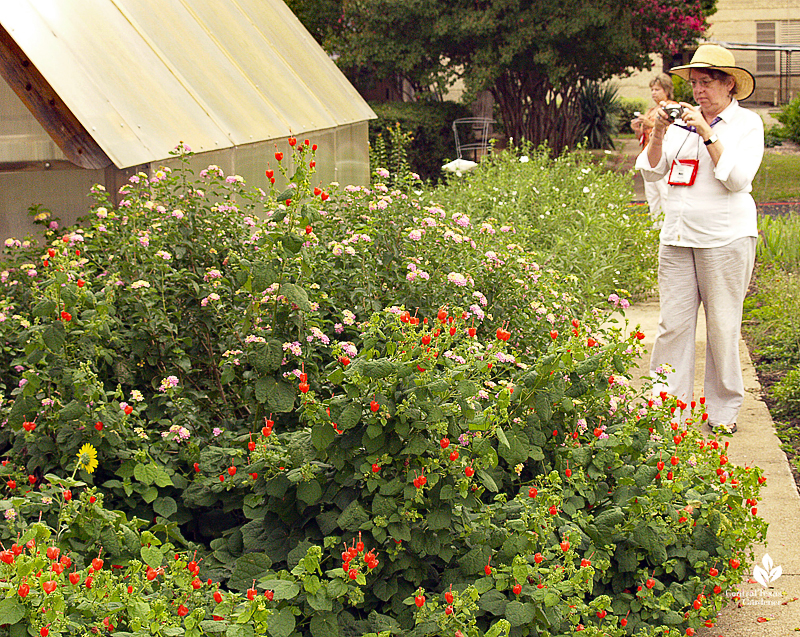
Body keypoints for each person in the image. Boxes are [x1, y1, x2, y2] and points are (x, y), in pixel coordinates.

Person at [635, 44, 764, 434]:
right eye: (693, 83)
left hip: (725, 239)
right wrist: (658, 132)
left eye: (706, 82)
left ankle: (723, 412)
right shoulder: (678, 124)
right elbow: (653, 172)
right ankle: (666, 410)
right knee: (672, 326)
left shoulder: (747, 125)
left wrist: (707, 133)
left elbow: (738, 179)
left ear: (729, 85)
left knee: (723, 326)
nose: (698, 91)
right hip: (676, 237)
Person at [631, 74, 675, 223]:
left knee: (665, 193)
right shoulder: (651, 110)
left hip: (664, 157)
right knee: (652, 195)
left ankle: (668, 224)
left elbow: (674, 129)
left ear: (666, 90)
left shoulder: (670, 108)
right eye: (652, 90)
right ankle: (656, 226)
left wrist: (650, 124)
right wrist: (638, 129)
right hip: (648, 155)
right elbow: (643, 138)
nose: (653, 93)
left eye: (657, 89)